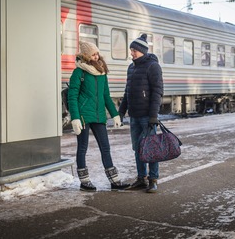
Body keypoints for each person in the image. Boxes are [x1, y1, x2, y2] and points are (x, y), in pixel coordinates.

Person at [68, 41, 130, 191]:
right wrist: (75, 117)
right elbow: (72, 95)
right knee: (82, 148)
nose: (97, 57)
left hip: (99, 116)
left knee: (105, 148)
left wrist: (115, 115)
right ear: (86, 56)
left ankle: (114, 181)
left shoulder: (102, 72)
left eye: (97, 53)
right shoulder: (79, 72)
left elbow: (106, 96)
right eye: (93, 54)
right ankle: (84, 182)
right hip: (83, 116)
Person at [119, 34, 164, 193]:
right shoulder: (131, 67)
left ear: (142, 51)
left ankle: (153, 179)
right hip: (134, 115)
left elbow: (157, 92)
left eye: (134, 50)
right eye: (131, 50)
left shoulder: (153, 66)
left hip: (147, 116)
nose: (131, 53)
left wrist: (153, 116)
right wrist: (121, 111)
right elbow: (127, 91)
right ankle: (141, 178)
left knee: (150, 148)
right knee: (138, 148)